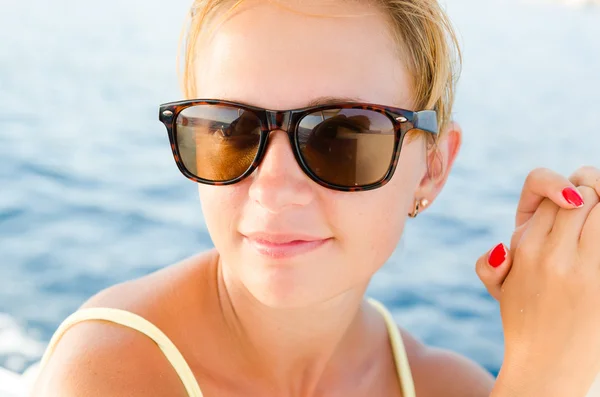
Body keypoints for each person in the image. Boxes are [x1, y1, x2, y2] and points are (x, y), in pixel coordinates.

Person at [30, 0, 600, 396]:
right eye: (231, 131)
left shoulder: (450, 389)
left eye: (342, 136)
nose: (274, 188)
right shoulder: (111, 371)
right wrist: (546, 376)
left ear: (432, 169)